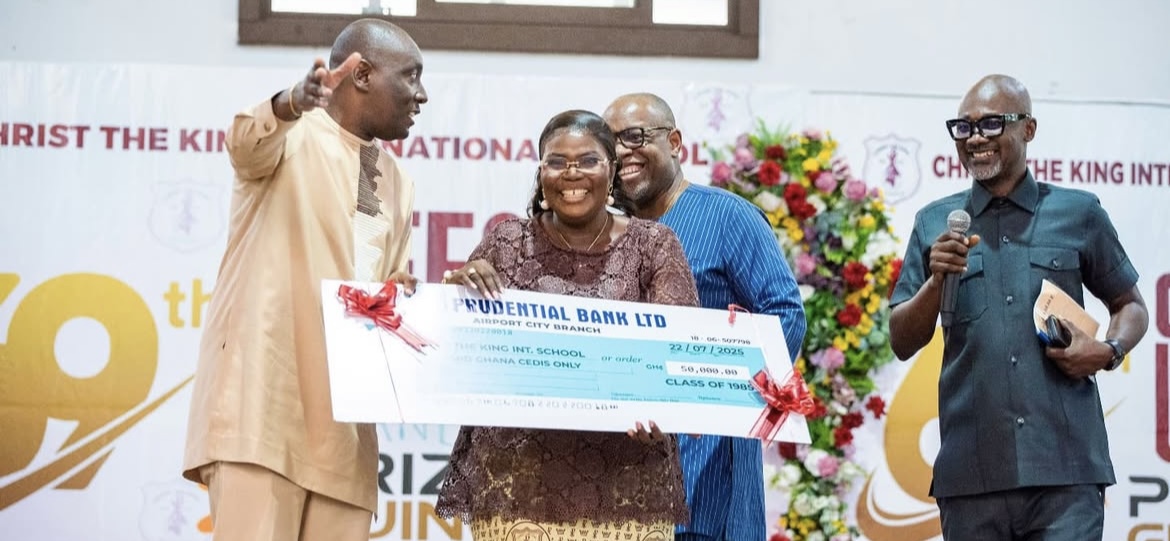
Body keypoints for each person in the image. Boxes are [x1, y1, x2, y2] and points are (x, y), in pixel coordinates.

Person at [181, 18, 428, 541]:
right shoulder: (291, 134)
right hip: (263, 411)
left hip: (346, 432)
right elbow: (244, 142)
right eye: (411, 76)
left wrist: (414, 296)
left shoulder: (399, 181)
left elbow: (387, 284)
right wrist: (290, 102)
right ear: (362, 74)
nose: (421, 95)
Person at [888, 74, 1149, 541]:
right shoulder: (935, 224)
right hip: (971, 478)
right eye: (964, 128)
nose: (976, 139)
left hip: (1066, 474)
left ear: (1028, 129)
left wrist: (1109, 351)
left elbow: (1131, 305)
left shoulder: (1079, 213)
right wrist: (936, 280)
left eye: (991, 123)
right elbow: (902, 340)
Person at [435, 109, 698, 541]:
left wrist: (664, 410)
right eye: (557, 161)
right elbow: (462, 349)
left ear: (612, 171)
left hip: (626, 483)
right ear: (541, 174)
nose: (572, 173)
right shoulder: (507, 242)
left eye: (588, 160)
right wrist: (454, 294)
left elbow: (678, 346)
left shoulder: (654, 245)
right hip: (517, 482)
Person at [603, 93, 807, 541]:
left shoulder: (729, 217)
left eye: (635, 136)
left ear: (675, 142)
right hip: (619, 479)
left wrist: (718, 392)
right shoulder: (607, 232)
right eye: (610, 142)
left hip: (708, 473)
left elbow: (785, 314)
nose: (621, 152)